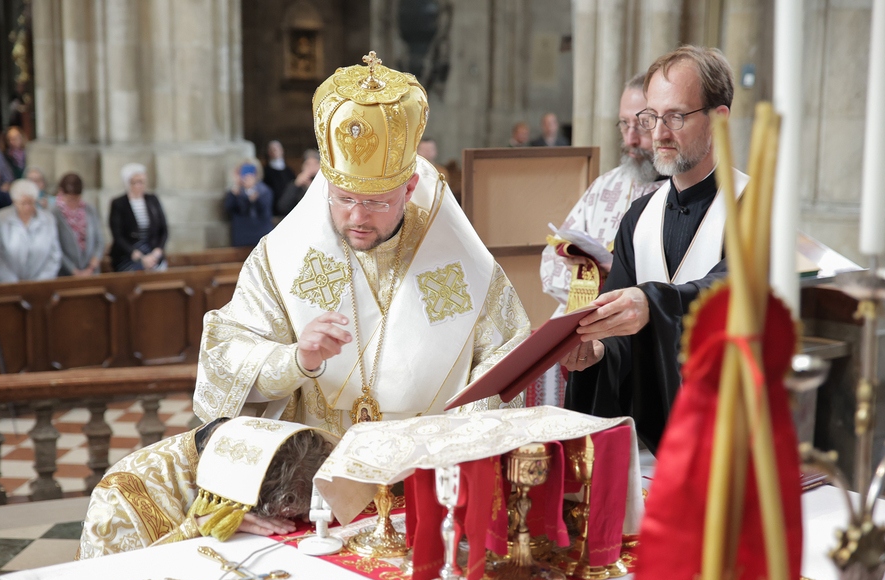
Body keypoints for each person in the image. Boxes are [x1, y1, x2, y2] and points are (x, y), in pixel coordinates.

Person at [194, 52, 530, 435]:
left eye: (375, 202)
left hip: (426, 456)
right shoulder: (282, 258)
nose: (356, 217)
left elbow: (503, 355)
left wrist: (456, 442)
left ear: (409, 189)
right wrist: (296, 360)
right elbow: (226, 356)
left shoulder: (456, 259)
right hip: (316, 461)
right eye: (343, 198)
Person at [563, 45, 748, 454]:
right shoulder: (638, 217)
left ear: (719, 120)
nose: (659, 134)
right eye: (652, 117)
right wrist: (598, 351)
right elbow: (620, 336)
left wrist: (652, 303)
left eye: (676, 117)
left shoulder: (753, 206)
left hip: (729, 441)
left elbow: (736, 290)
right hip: (652, 445)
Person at [78, 417, 339, 558]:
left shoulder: (245, 442)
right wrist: (199, 526)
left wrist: (317, 500)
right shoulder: (120, 495)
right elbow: (114, 579)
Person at [541, 73, 662, 313]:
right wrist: (578, 268)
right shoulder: (605, 185)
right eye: (624, 124)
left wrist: (616, 270)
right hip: (584, 316)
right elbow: (549, 262)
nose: (630, 139)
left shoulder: (680, 192)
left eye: (642, 126)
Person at [0, 178, 62, 283]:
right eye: (23, 203)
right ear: (14, 201)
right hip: (6, 284)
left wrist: (39, 282)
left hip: (41, 285)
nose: (27, 207)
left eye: (30, 203)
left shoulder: (48, 219)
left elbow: (54, 255)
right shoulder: (0, 219)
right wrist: (14, 283)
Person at [108, 163, 168, 272]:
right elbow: (118, 236)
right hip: (129, 254)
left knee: (159, 272)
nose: (140, 185)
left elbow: (163, 229)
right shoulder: (119, 203)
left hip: (152, 251)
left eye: (143, 181)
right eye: (136, 182)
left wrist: (157, 252)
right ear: (128, 183)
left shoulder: (152, 200)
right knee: (134, 274)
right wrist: (138, 256)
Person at [53, 172, 103, 277]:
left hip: (91, 272)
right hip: (66, 274)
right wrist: (74, 271)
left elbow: (99, 240)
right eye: (70, 199)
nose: (73, 203)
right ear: (62, 193)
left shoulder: (90, 210)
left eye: (76, 199)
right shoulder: (55, 214)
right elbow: (55, 247)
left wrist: (91, 267)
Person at [224, 162, 273, 247]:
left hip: (260, 234)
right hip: (242, 236)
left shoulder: (264, 190)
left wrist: (251, 190)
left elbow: (262, 208)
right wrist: (236, 189)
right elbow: (229, 207)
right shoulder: (236, 192)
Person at [275, 149, 320, 215]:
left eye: (315, 164)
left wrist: (311, 188)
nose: (312, 168)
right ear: (302, 166)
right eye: (308, 164)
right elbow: (282, 207)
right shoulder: (296, 185)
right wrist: (296, 185)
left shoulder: (327, 185)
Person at [262, 140, 295, 215]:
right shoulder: (266, 171)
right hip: (273, 209)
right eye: (272, 150)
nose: (274, 152)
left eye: (277, 149)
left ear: (282, 151)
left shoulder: (289, 171)